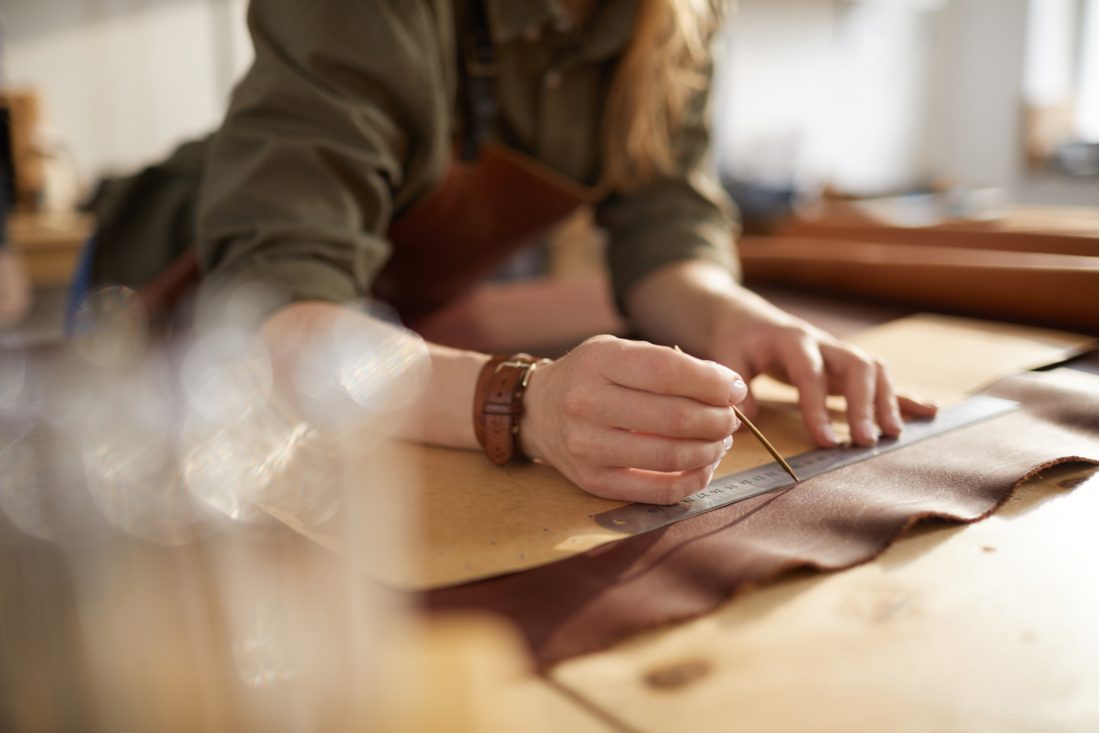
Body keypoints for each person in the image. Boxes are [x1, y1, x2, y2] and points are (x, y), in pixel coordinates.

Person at [93, 0, 937, 505]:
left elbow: (663, 223)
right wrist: (520, 400)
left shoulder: (675, 12)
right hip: (163, 322)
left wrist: (734, 316)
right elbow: (268, 325)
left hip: (370, 329)